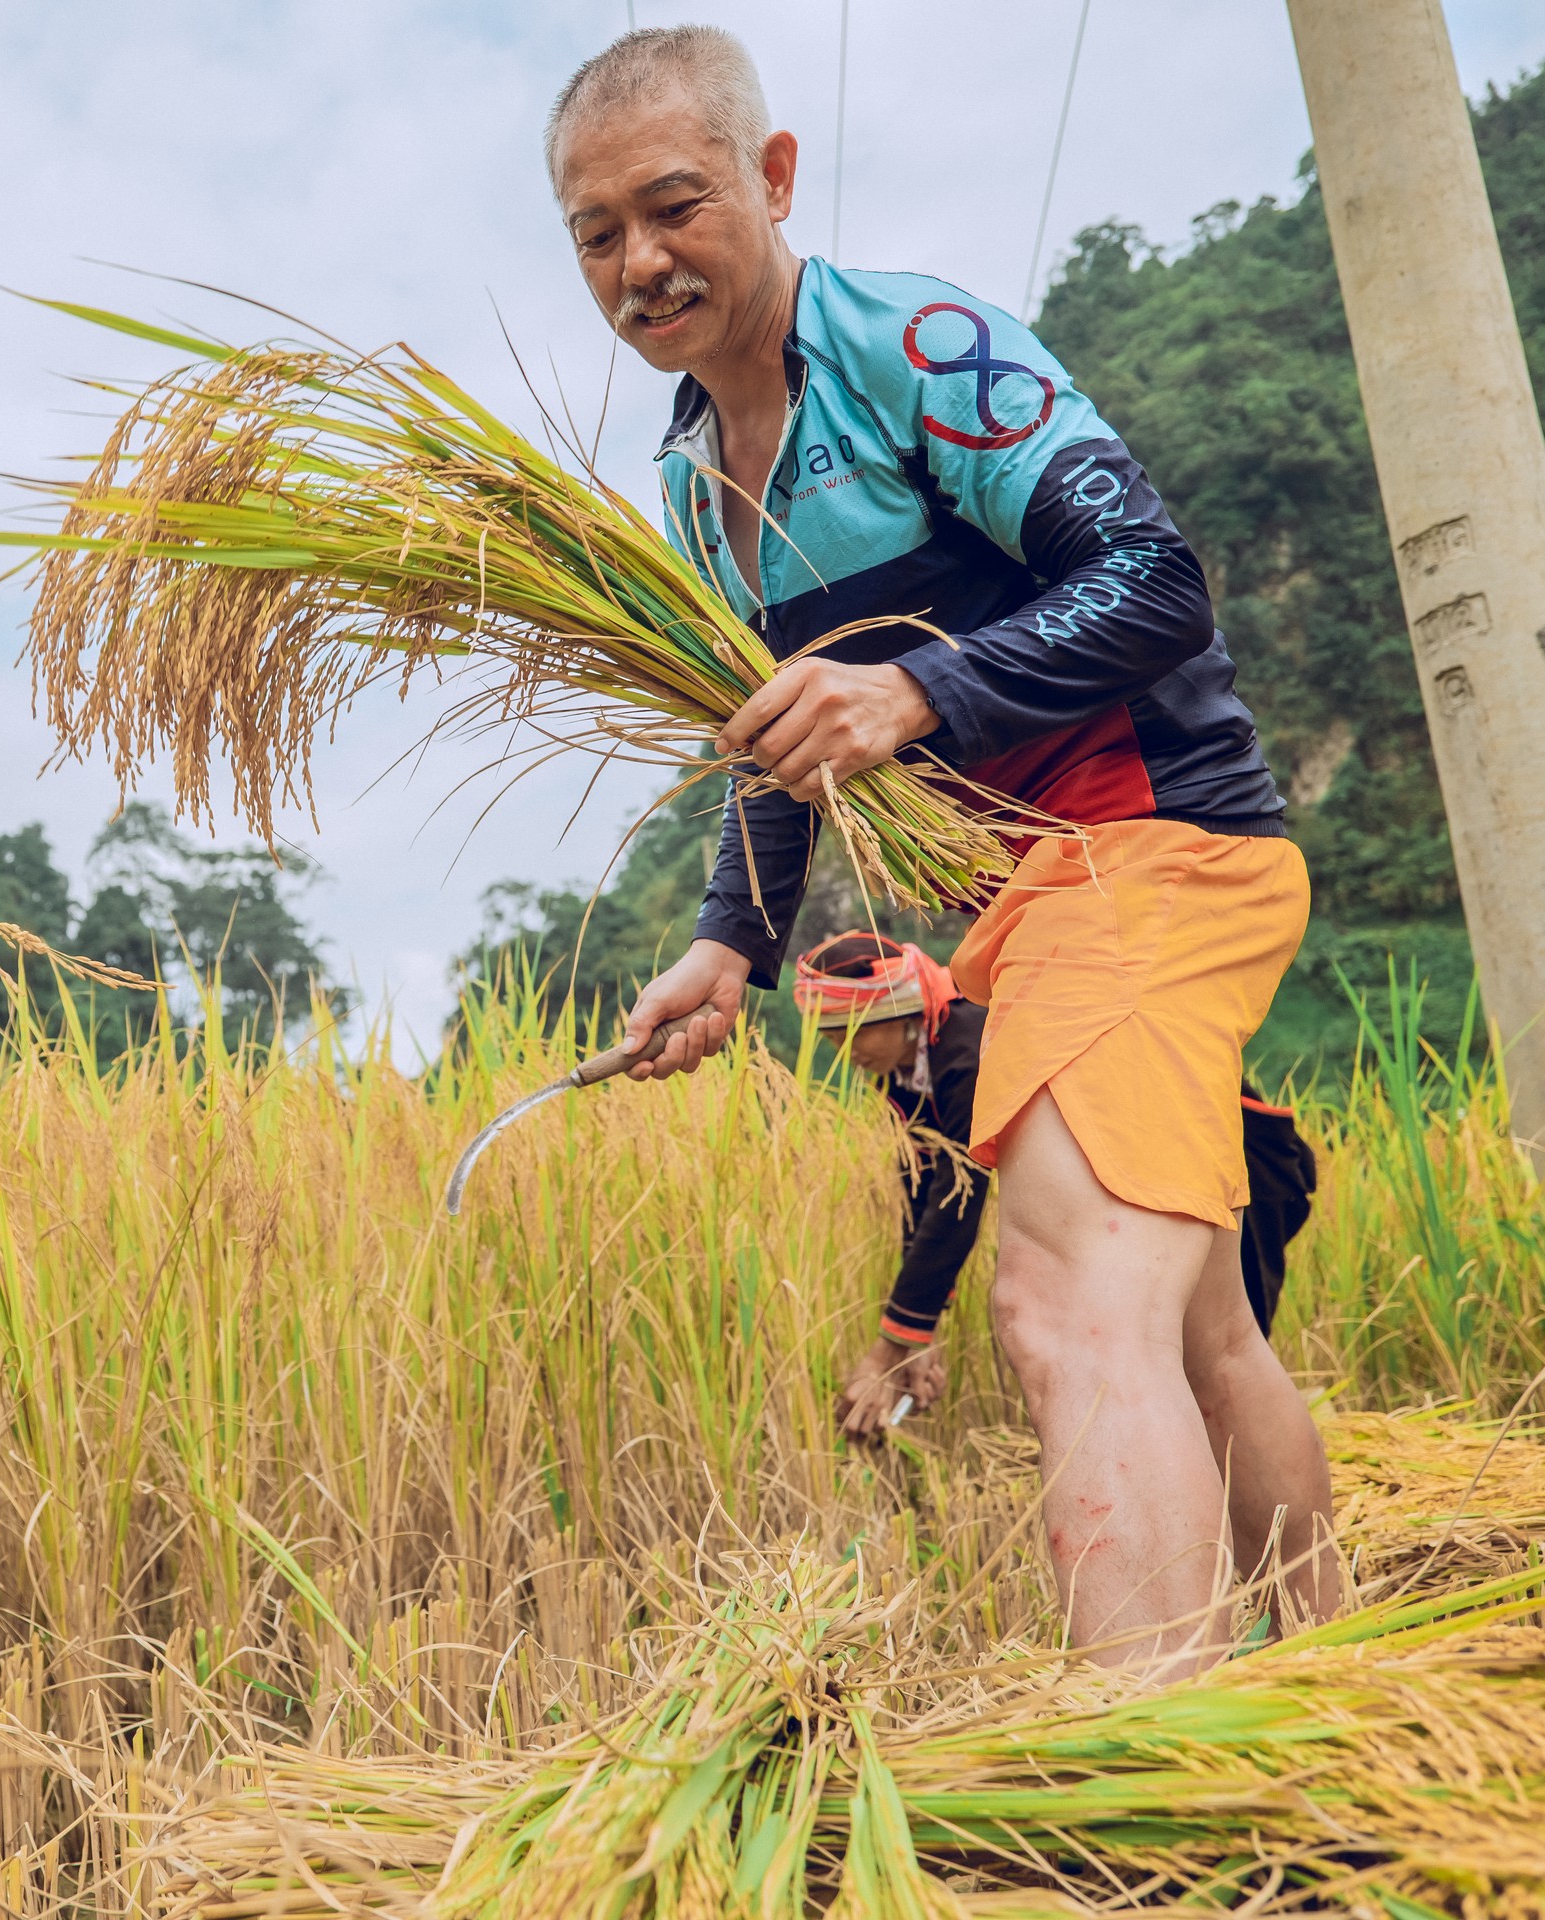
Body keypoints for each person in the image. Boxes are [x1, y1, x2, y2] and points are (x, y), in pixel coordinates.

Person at [544, 25, 1340, 1667]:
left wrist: (924, 689)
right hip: (1035, 905)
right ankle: (1330, 1687)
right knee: (1201, 1331)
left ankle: (1153, 1776)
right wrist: (726, 948)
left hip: (1156, 848)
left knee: (1059, 1303)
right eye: (595, 234)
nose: (639, 262)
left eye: (674, 207)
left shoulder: (915, 346)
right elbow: (782, 751)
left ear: (771, 181)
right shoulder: (694, 489)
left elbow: (1157, 580)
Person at [793, 933, 1319, 1440]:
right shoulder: (904, 1075)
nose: (845, 1052)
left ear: (902, 1015)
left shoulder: (968, 1052)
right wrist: (916, 1335)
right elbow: (925, 1192)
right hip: (1147, 1177)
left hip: (1232, 1158)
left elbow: (958, 1203)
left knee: (1220, 1365)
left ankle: (1258, 1521)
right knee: (1171, 1359)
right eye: (830, 1038)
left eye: (854, 1031)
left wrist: (892, 1346)